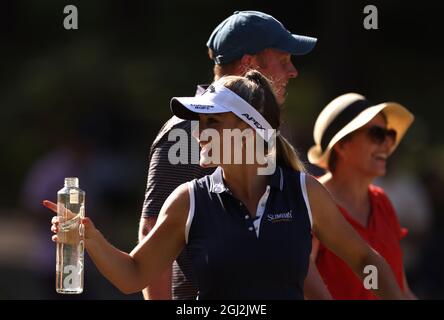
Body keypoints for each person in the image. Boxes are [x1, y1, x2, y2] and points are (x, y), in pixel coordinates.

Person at [46, 71, 403, 300]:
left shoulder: (304, 192)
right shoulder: (188, 200)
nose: (199, 134)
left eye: (212, 122)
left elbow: (364, 259)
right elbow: (134, 276)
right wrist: (90, 238)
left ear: (250, 131)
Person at [139, 10, 319, 299]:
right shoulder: (187, 130)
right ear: (249, 65)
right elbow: (152, 232)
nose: (293, 71)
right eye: (283, 61)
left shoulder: (258, 126)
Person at [306, 92, 417, 299]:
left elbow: (402, 290)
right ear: (341, 145)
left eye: (390, 135)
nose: (387, 144)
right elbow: (300, 283)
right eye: (376, 134)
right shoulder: (311, 201)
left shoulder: (382, 202)